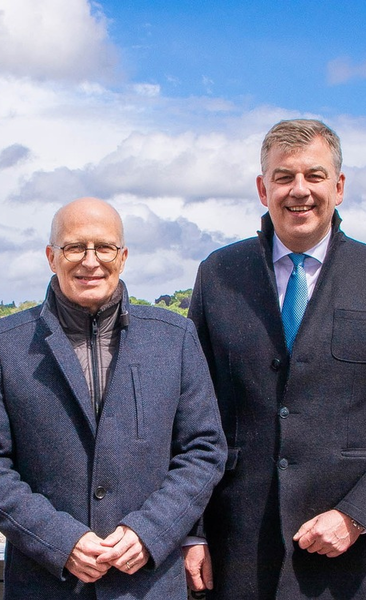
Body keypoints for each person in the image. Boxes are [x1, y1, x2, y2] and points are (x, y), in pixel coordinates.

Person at [184, 118, 366, 599]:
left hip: (353, 554)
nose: (298, 190)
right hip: (240, 547)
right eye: (283, 177)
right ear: (263, 189)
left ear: (339, 187)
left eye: (314, 176)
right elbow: (195, 415)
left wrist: (359, 514)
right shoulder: (218, 274)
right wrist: (193, 530)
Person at [0, 197, 227, 599]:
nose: (91, 261)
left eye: (103, 247)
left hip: (149, 584)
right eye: (74, 247)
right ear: (51, 256)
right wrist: (60, 540)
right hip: (45, 584)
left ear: (122, 257)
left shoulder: (174, 338)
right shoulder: (7, 345)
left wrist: (150, 530)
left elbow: (203, 450)